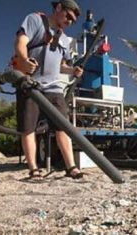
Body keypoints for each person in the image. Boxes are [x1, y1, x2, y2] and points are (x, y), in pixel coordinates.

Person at [14, 0, 84, 180]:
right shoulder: (35, 20)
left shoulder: (65, 40)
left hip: (54, 87)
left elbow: (62, 65)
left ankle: (71, 168)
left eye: (73, 21)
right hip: (30, 84)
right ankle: (34, 170)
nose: (69, 21)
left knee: (63, 126)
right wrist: (24, 60)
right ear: (59, 7)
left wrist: (73, 70)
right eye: (68, 16)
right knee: (28, 128)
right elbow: (21, 42)